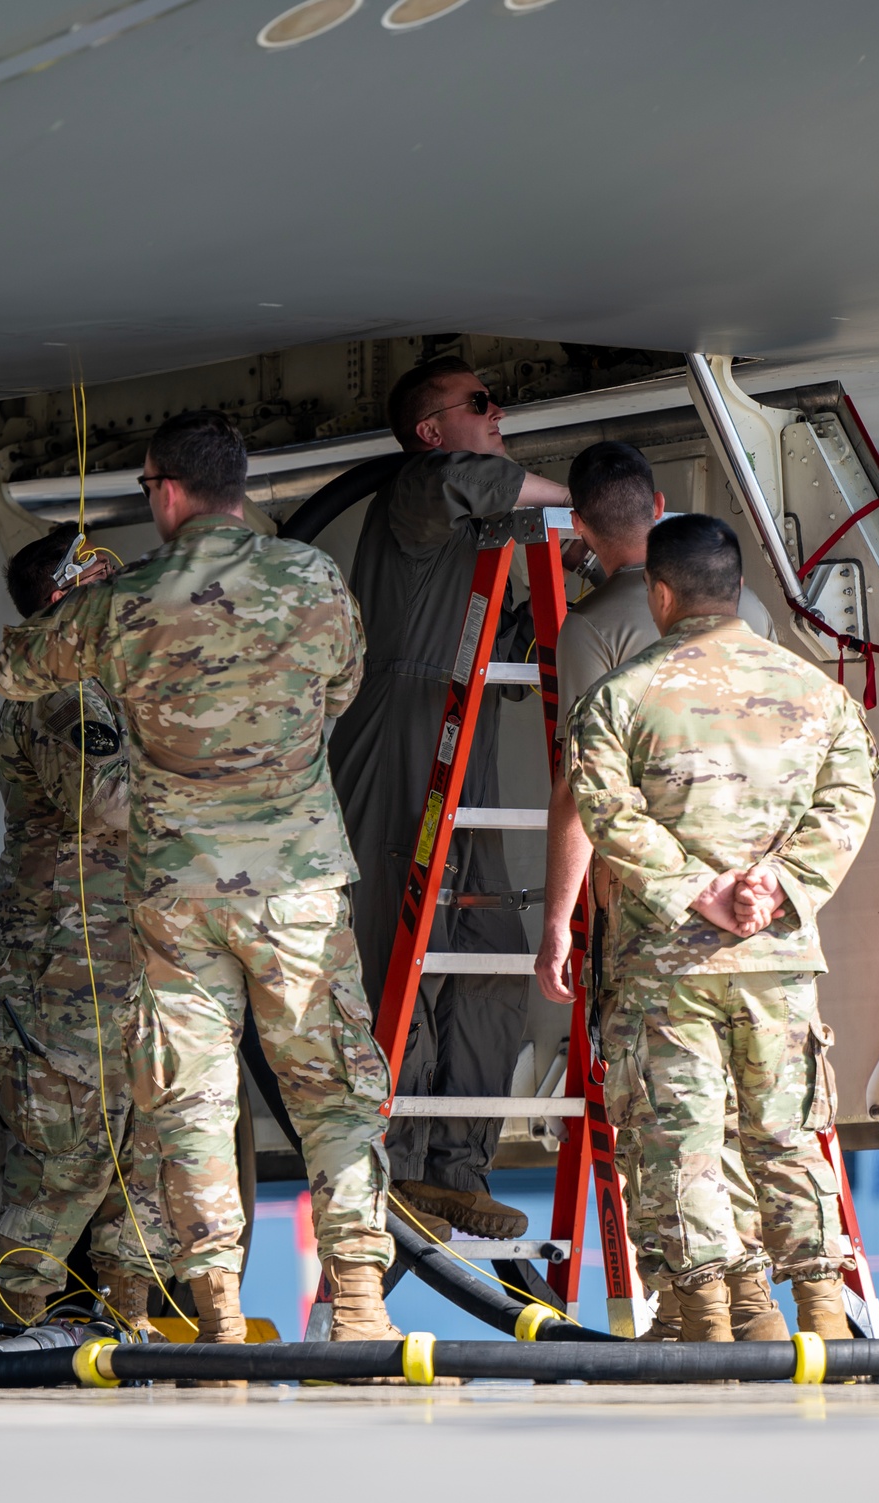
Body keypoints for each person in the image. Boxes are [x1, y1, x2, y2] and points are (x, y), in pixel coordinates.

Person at [0, 411, 397, 1346]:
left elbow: (17, 666)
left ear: (164, 489)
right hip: (295, 885)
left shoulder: (133, 599)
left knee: (190, 1097)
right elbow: (342, 684)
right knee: (332, 1089)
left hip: (177, 892)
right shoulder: (312, 578)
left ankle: (213, 1309)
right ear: (236, 485)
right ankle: (363, 1300)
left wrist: (96, 634)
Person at [563, 512, 879, 1342]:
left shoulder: (620, 698)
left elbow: (605, 810)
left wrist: (693, 889)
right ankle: (820, 1317)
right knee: (788, 1133)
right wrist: (776, 886)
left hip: (664, 968)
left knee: (682, 1143)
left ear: (660, 594)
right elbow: (848, 802)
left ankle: (707, 1323)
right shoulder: (820, 695)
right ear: (735, 587)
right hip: (775, 958)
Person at [535, 442, 786, 1342]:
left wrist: (559, 918)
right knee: (759, 1119)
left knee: (664, 1120)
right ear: (664, 503)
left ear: (580, 527)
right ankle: (762, 1305)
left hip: (648, 917)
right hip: (762, 918)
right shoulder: (748, 610)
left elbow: (580, 791)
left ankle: (703, 1310)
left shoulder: (596, 627)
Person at [329, 357, 570, 1241]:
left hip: (456, 727)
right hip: (400, 725)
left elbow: (504, 638)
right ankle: (392, 1164)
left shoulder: (479, 538)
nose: (497, 410)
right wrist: (575, 500)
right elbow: (470, 481)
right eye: (479, 402)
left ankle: (455, 1167)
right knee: (407, 942)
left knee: (487, 943)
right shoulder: (419, 494)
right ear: (432, 429)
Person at [0, 524, 170, 1341]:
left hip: (125, 950)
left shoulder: (107, 686)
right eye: (95, 574)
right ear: (66, 596)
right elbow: (110, 803)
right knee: (71, 1148)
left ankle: (127, 1318)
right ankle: (17, 1315)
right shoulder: (60, 691)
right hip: (63, 959)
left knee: (144, 1150)